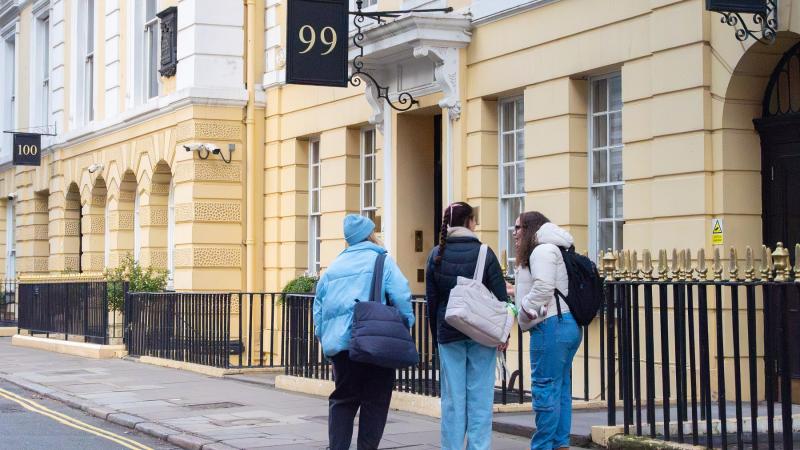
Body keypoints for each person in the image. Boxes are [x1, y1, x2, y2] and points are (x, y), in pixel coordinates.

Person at [313, 214, 415, 450]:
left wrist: (328, 345)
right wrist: (405, 325)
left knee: (342, 400)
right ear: (370, 235)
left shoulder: (332, 269)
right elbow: (401, 295)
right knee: (375, 403)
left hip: (342, 349)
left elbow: (318, 312)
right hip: (374, 343)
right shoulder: (382, 261)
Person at [425, 202, 509, 450]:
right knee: (480, 398)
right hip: (482, 333)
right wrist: (503, 334)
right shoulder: (485, 252)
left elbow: (432, 302)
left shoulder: (436, 255)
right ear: (470, 222)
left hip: (448, 332)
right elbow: (502, 298)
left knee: (453, 399)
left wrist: (436, 334)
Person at [513, 211, 582, 450]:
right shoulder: (555, 248)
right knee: (560, 388)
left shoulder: (542, 250)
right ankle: (560, 444)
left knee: (544, 388)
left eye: (518, 227)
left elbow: (543, 288)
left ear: (531, 228)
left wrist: (523, 312)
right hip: (566, 324)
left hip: (550, 326)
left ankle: (543, 446)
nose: (515, 233)